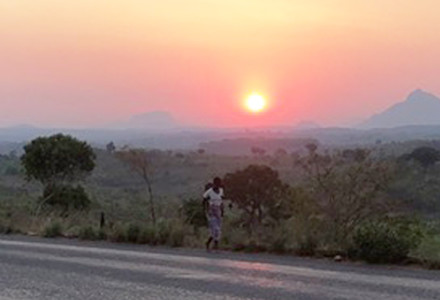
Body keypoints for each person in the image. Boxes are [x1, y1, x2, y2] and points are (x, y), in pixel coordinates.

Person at [203, 177, 224, 251]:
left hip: (218, 210)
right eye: (217, 184)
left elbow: (221, 201)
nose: (218, 185)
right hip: (211, 210)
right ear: (214, 184)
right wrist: (206, 210)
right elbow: (204, 200)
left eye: (219, 183)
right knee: (215, 229)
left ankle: (209, 243)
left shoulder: (221, 191)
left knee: (218, 231)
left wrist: (222, 211)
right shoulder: (209, 192)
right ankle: (215, 245)